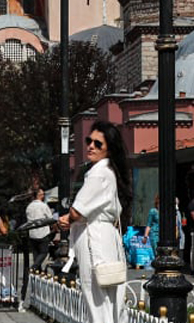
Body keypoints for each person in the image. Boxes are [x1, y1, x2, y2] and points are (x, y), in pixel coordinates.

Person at [59, 121, 131, 323]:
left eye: (98, 144)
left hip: (94, 238)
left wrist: (67, 219)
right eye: (89, 141)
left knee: (96, 298)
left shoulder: (99, 172)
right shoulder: (109, 172)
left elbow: (77, 210)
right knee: (112, 299)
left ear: (109, 149)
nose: (91, 146)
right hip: (106, 237)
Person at [25, 188, 54, 271]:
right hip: (42, 232)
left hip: (32, 233)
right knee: (44, 252)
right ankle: (34, 267)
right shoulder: (43, 206)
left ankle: (37, 271)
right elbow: (50, 218)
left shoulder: (29, 206)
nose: (43, 195)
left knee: (36, 254)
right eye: (42, 194)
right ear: (39, 195)